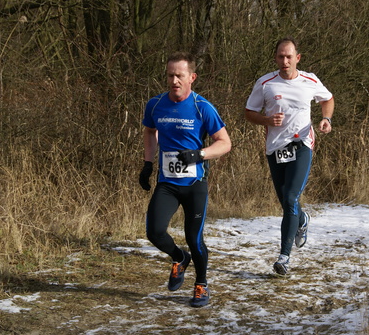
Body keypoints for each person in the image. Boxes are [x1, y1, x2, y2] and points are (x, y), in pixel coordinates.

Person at [138, 51, 231, 307]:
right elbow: (149, 131)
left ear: (192, 77)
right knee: (154, 232)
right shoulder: (156, 104)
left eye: (179, 75)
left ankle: (201, 284)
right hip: (167, 183)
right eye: (170, 75)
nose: (174, 81)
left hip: (194, 185)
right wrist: (148, 164)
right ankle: (179, 258)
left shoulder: (203, 107)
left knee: (194, 237)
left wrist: (200, 154)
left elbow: (225, 143)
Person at [244, 37, 334, 275]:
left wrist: (326, 119)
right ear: (275, 58)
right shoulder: (265, 83)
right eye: (280, 57)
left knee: (291, 197)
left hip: (302, 143)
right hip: (276, 148)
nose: (285, 61)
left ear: (297, 58)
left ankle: (284, 257)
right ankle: (302, 219)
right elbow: (249, 112)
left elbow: (328, 99)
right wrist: (265, 120)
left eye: (289, 56)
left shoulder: (310, 80)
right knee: (286, 201)